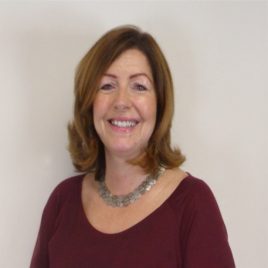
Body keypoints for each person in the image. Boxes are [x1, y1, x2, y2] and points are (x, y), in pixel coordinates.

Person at [30, 25, 235, 268]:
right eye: (107, 86)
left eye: (139, 86)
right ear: (89, 102)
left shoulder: (192, 203)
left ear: (159, 103)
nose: (121, 102)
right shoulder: (62, 201)